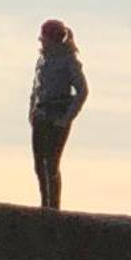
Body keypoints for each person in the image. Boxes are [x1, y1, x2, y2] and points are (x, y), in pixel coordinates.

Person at [28, 19, 87, 210]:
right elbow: (35, 88)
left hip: (57, 116)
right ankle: (44, 204)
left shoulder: (69, 61)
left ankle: (53, 207)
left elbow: (82, 90)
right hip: (41, 114)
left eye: (44, 38)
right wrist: (32, 110)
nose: (41, 42)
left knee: (51, 164)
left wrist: (67, 117)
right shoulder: (41, 60)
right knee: (38, 164)